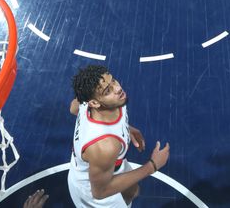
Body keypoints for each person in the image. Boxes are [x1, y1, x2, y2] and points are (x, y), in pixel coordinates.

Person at [68, 65, 169, 207]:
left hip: (106, 166)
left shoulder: (90, 100)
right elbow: (100, 192)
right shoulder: (105, 146)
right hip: (93, 192)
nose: (117, 88)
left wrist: (125, 128)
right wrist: (152, 166)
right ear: (94, 103)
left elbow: (73, 108)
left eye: (113, 81)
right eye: (107, 90)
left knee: (133, 192)